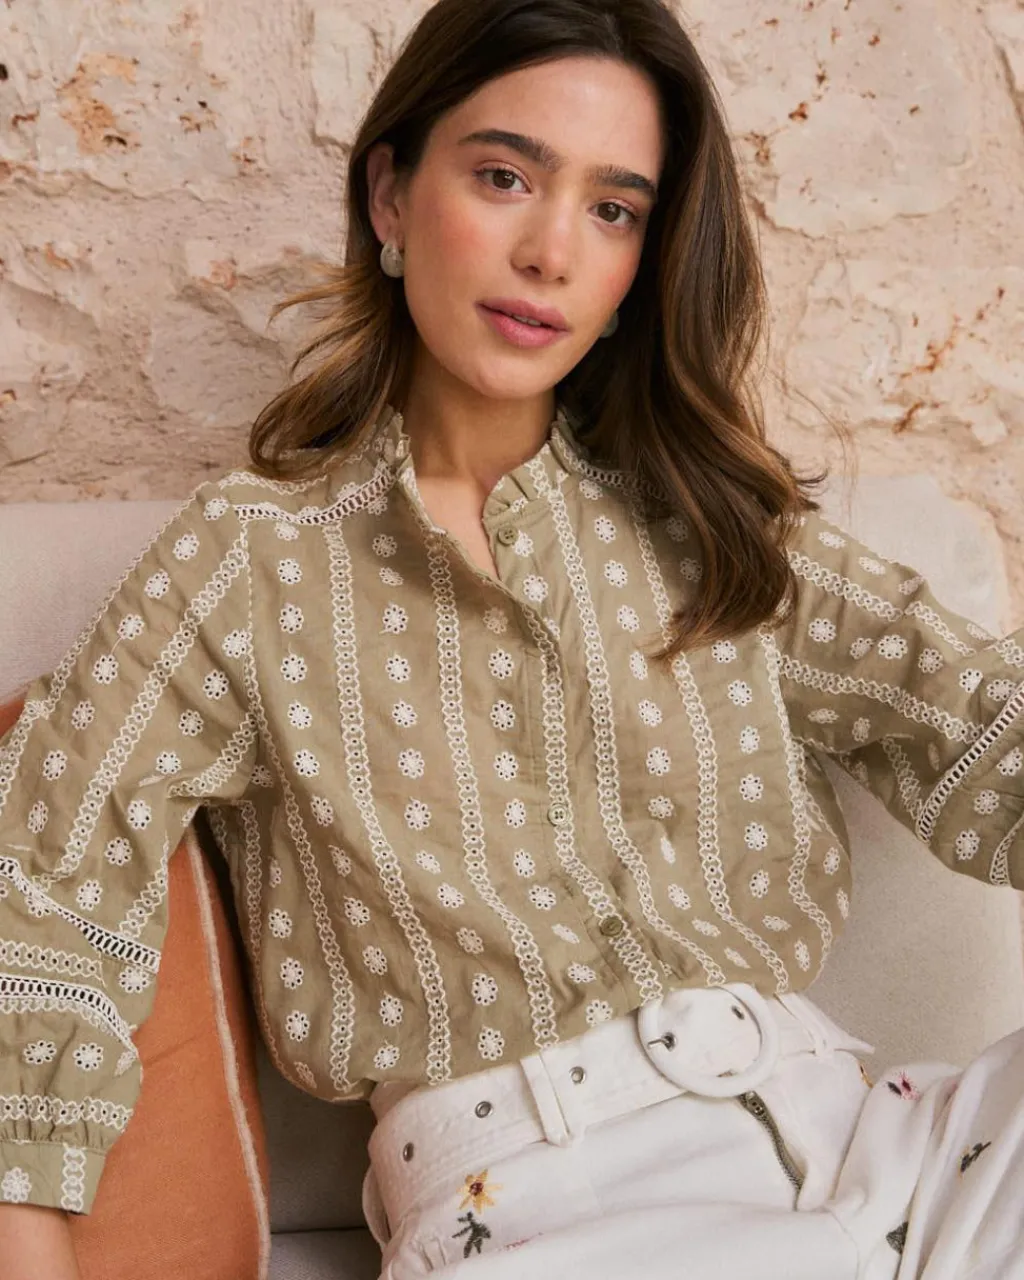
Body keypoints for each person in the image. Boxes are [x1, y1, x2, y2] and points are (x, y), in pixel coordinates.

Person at [1, 0, 1022, 1276]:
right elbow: (42, 882)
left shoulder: (709, 524)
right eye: (503, 177)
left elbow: (979, 722)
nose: (550, 251)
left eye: (614, 208)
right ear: (390, 193)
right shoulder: (250, 563)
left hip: (873, 1150)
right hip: (547, 1204)